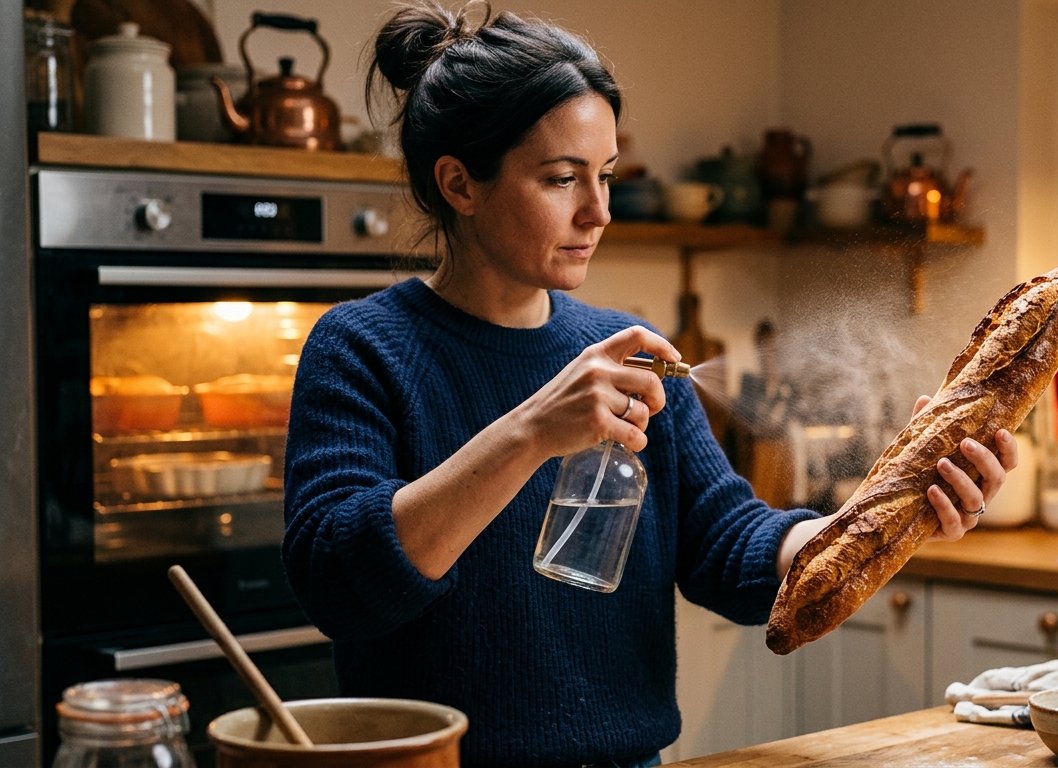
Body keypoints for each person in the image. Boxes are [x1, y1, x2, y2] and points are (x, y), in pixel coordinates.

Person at [281, 3, 1018, 766]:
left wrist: (886, 519)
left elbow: (727, 545)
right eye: (562, 179)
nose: (598, 211)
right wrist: (532, 431)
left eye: (605, 176)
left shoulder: (622, 352)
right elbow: (341, 583)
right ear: (460, 184)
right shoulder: (360, 350)